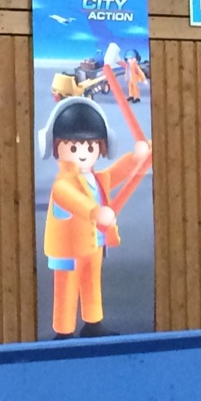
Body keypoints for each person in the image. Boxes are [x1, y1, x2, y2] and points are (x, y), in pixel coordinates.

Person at [37, 97, 150, 339]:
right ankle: (64, 332)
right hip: (69, 250)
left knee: (91, 284)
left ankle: (93, 323)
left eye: (90, 147)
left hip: (93, 244)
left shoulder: (96, 179)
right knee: (67, 289)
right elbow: (73, 200)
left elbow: (116, 173)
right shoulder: (63, 183)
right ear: (55, 147)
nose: (83, 153)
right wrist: (96, 212)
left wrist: (136, 158)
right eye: (74, 148)